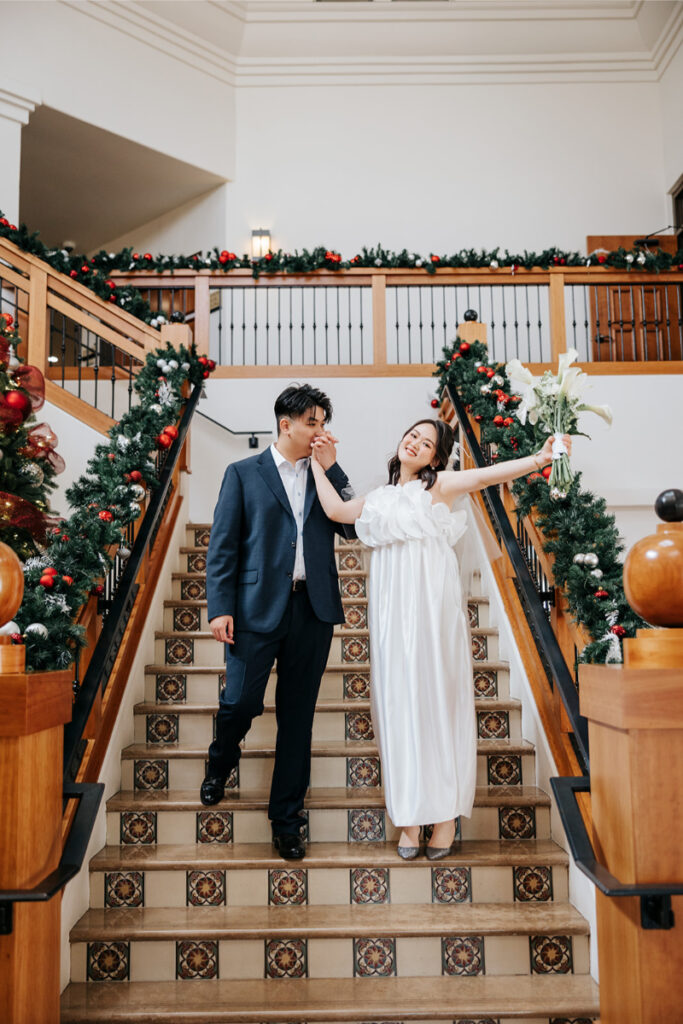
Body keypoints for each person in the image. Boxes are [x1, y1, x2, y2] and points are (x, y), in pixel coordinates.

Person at [310, 418, 571, 860]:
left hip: (432, 611)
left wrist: (541, 458)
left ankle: (446, 817)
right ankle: (409, 820)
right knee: (398, 706)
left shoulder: (441, 486)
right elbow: (336, 511)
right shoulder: (379, 498)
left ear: (436, 456)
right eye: (411, 434)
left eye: (426, 442)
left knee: (438, 702)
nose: (414, 442)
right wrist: (319, 463)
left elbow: (489, 474)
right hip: (392, 616)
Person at [202, 384, 354, 861]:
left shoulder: (324, 475)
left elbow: (353, 525)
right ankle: (220, 759)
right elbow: (223, 546)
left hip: (313, 609)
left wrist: (332, 467)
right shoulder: (243, 474)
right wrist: (220, 606)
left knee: (297, 719)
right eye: (312, 421)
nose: (320, 430)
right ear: (286, 424)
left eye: (324, 422)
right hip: (253, 609)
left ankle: (287, 820)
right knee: (240, 702)